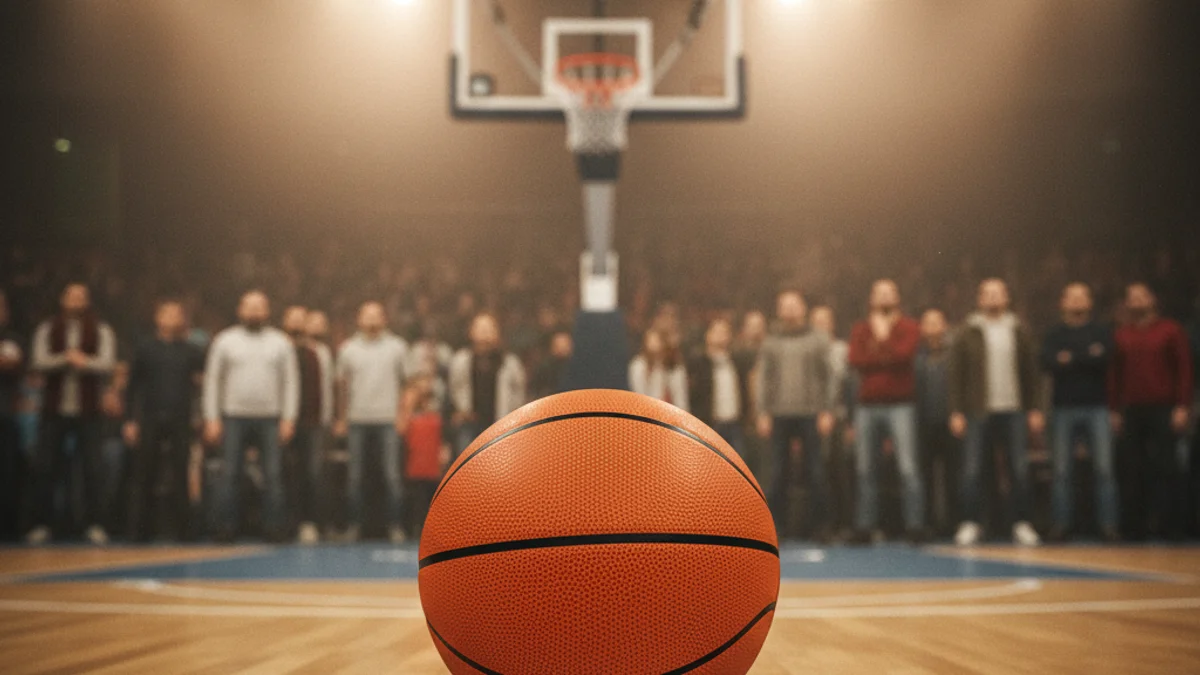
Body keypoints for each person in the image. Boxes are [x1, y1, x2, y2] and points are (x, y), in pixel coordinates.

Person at [949, 279, 1044, 547]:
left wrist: (1035, 407)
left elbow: (1031, 373)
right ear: (979, 299)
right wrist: (956, 410)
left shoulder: (1018, 330)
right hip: (977, 410)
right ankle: (971, 523)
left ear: (1006, 298)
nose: (992, 298)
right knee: (972, 469)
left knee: (1019, 468)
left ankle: (1022, 524)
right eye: (987, 294)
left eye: (997, 293)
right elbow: (956, 374)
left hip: (1013, 409)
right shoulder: (968, 331)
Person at [202, 290, 299, 542]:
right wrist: (212, 417)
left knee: (273, 474)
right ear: (240, 310)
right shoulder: (225, 341)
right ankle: (225, 528)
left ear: (267, 312)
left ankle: (274, 528)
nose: (254, 312)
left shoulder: (280, 342)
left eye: (259, 307)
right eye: (250, 307)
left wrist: (288, 418)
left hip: (270, 417)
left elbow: (290, 382)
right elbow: (213, 381)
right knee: (230, 473)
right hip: (233, 416)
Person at [27, 284, 117, 545]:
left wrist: (84, 362)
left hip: (89, 411)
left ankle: (95, 524)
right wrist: (65, 359)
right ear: (62, 299)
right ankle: (41, 523)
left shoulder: (101, 330)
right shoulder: (47, 329)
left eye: (81, 297)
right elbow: (38, 361)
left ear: (87, 301)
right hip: (54, 410)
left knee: (92, 469)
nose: (76, 301)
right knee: (46, 467)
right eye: (71, 296)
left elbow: (108, 363)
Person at [1110, 283, 1193, 539]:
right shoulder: (1121, 334)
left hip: (1164, 408)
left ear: (1152, 300)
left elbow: (1184, 369)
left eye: (1141, 297)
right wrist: (1114, 410)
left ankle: (1172, 527)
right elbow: (1114, 375)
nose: (1137, 301)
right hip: (1132, 409)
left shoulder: (1170, 330)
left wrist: (1182, 406)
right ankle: (1135, 528)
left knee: (1168, 468)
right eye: (1132, 298)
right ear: (1127, 304)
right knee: (1133, 470)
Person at [847, 281, 926, 542]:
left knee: (908, 467)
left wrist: (881, 340)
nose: (883, 296)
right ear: (871, 298)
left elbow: (905, 356)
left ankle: (915, 527)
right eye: (878, 292)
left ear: (897, 297)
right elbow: (856, 360)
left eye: (889, 292)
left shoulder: (909, 327)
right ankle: (865, 527)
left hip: (901, 405)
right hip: (867, 406)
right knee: (865, 469)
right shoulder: (860, 329)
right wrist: (885, 351)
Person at [1040, 283, 1118, 541]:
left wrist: (1070, 358)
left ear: (1089, 302)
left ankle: (1108, 527)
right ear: (1062, 302)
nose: (1076, 301)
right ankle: (1061, 526)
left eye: (1081, 296)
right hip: (1063, 408)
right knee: (1061, 471)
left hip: (1098, 406)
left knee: (1104, 470)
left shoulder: (1101, 331)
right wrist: (1087, 356)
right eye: (1071, 297)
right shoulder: (1053, 333)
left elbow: (1105, 359)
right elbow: (1048, 362)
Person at [755, 290, 835, 541]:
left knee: (815, 472)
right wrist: (762, 412)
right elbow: (763, 378)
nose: (789, 309)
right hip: (778, 414)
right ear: (778, 310)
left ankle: (820, 529)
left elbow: (830, 377)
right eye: (784, 305)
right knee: (778, 473)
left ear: (803, 308)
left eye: (794, 305)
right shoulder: (771, 341)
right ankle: (775, 531)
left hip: (812, 413)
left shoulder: (818, 339)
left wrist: (827, 410)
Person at [124, 300, 205, 541]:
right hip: (149, 417)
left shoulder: (192, 350)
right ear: (157, 317)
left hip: (181, 418)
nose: (171, 318)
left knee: (181, 473)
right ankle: (139, 532)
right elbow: (132, 387)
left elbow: (202, 385)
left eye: (176, 314)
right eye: (166, 313)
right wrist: (130, 420)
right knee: (144, 474)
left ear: (183, 319)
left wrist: (200, 415)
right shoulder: (145, 348)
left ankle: (185, 532)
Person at [334, 301, 409, 543]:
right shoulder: (348, 349)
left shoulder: (397, 347)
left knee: (392, 476)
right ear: (359, 319)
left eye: (376, 315)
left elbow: (408, 385)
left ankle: (395, 526)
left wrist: (403, 415)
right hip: (357, 418)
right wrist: (341, 417)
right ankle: (354, 526)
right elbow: (342, 387)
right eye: (367, 315)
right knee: (355, 477)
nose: (372, 319)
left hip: (388, 418)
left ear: (384, 318)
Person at [449, 313, 527, 456]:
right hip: (469, 424)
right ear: (471, 332)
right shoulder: (461, 360)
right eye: (480, 327)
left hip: (501, 424)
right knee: (466, 468)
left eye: (489, 328)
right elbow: (455, 388)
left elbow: (519, 392)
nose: (484, 332)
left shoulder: (509, 363)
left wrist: (513, 416)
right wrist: (462, 409)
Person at [283, 306, 326, 544]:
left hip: (312, 423)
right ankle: (287, 523)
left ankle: (310, 523)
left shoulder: (314, 353)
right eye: (294, 318)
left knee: (312, 474)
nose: (298, 323)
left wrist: (325, 419)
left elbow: (324, 389)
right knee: (287, 474)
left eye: (303, 319)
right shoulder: (278, 349)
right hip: (284, 423)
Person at [915, 308, 957, 535]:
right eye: (927, 322)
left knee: (953, 475)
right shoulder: (916, 356)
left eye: (936, 322)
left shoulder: (954, 354)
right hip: (924, 423)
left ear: (945, 326)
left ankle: (953, 524)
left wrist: (958, 412)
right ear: (921, 328)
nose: (932, 327)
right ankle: (929, 523)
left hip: (952, 421)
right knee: (926, 477)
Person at [688, 318, 751, 455]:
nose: (721, 335)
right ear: (708, 335)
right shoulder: (699, 363)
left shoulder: (737, 361)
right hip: (710, 424)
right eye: (717, 331)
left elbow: (744, 391)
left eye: (725, 332)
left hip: (734, 423)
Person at [403, 374, 447, 540]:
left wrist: (444, 450)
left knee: (434, 499)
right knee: (417, 499)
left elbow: (444, 434)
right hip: (415, 463)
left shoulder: (438, 411)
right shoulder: (410, 414)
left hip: (433, 463)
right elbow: (401, 428)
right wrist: (409, 402)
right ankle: (414, 529)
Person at [0, 290, 25, 541]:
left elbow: (12, 362)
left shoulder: (12, 339)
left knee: (6, 475)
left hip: (4, 415)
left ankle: (7, 529)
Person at [629, 329, 689, 410]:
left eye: (658, 341)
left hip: (672, 414)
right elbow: (639, 395)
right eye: (650, 341)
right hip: (646, 412)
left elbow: (681, 398)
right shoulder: (638, 365)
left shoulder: (675, 367)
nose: (654, 345)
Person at [532, 330, 573, 400]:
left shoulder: (576, 369)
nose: (562, 349)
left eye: (565, 345)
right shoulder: (544, 369)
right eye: (558, 345)